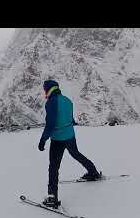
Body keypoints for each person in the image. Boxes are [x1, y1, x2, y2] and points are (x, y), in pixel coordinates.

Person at [38, 80, 102, 208]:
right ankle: (93, 172)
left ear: (48, 89)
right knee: (76, 154)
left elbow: (50, 124)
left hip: (58, 139)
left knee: (54, 167)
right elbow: (71, 119)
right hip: (70, 135)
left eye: (45, 89)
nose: (44, 91)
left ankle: (52, 197)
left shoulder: (51, 103)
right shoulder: (67, 100)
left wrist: (43, 140)